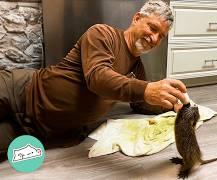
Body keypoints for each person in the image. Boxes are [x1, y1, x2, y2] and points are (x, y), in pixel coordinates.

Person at [0, 0, 187, 159]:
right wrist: (146, 89)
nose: (154, 38)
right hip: (21, 91)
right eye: (152, 28)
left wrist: (172, 104)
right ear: (137, 18)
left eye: (161, 36)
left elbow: (139, 104)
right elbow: (98, 77)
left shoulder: (137, 67)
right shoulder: (103, 34)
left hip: (44, 132)